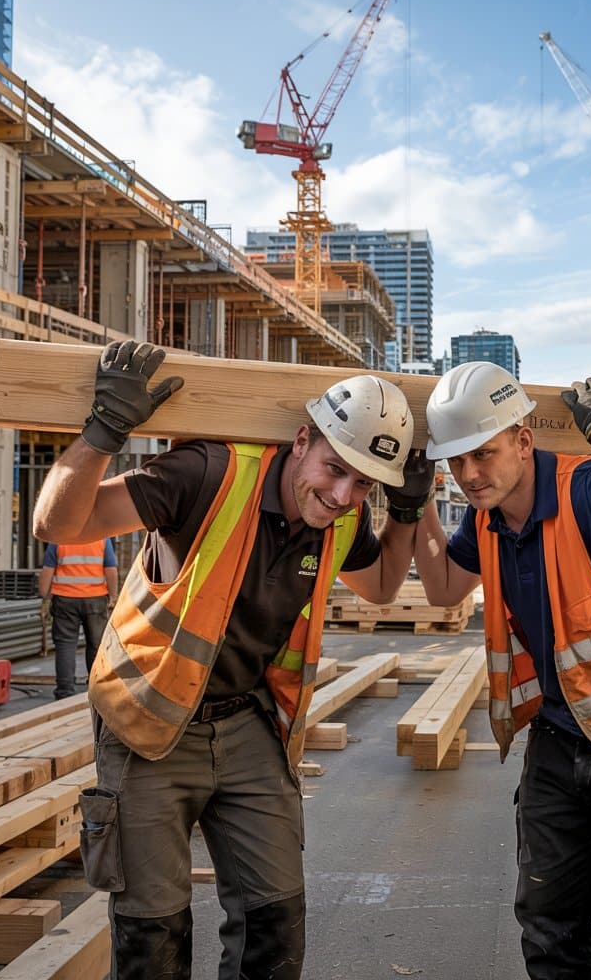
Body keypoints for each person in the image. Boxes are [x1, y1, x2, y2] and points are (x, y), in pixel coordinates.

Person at [32, 340, 432, 980]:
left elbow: (383, 587)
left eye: (365, 483)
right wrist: (105, 429)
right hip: (149, 726)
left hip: (249, 725)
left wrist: (406, 512)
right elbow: (57, 524)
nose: (342, 495)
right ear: (302, 440)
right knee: (153, 934)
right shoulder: (207, 474)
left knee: (274, 924)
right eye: (335, 469)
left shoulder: (343, 518)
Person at [412, 363, 591, 980]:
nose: (469, 474)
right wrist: (416, 508)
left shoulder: (590, 489)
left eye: (484, 453)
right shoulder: (488, 520)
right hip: (557, 738)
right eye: (456, 460)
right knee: (549, 928)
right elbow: (442, 588)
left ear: (524, 440)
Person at [37, 536, 118, 699]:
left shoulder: (59, 539)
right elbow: (111, 569)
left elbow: (47, 572)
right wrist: (113, 596)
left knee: (65, 645)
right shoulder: (101, 538)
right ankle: (97, 688)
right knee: (96, 645)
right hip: (95, 599)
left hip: (65, 600)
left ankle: (65, 691)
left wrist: (44, 596)